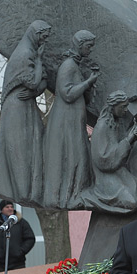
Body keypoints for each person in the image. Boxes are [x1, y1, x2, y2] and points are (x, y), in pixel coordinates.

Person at [0, 20, 51, 204]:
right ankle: (23, 191)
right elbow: (35, 82)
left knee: (32, 147)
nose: (44, 41)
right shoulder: (25, 55)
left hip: (26, 106)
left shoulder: (30, 54)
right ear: (35, 34)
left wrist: (35, 89)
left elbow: (40, 85)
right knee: (21, 149)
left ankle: (31, 190)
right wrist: (40, 63)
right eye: (43, 36)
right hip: (16, 109)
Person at [42, 30, 100, 208]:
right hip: (66, 122)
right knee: (72, 156)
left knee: (78, 155)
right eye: (88, 46)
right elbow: (67, 93)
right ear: (80, 45)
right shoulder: (68, 66)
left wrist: (90, 86)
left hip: (75, 121)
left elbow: (83, 96)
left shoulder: (75, 65)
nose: (90, 50)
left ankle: (76, 193)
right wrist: (88, 82)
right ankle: (69, 195)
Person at [80, 90, 137, 214]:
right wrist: (128, 140)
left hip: (119, 172)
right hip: (105, 177)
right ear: (113, 107)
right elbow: (103, 160)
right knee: (132, 202)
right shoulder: (102, 126)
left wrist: (131, 139)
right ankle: (92, 198)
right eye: (123, 107)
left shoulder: (115, 123)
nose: (125, 110)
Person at [0, 200, 36, 272]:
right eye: (7, 207)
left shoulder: (21, 223)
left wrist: (20, 252)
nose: (10, 209)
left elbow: (30, 239)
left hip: (18, 264)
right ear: (2, 209)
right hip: (1, 264)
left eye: (11, 207)